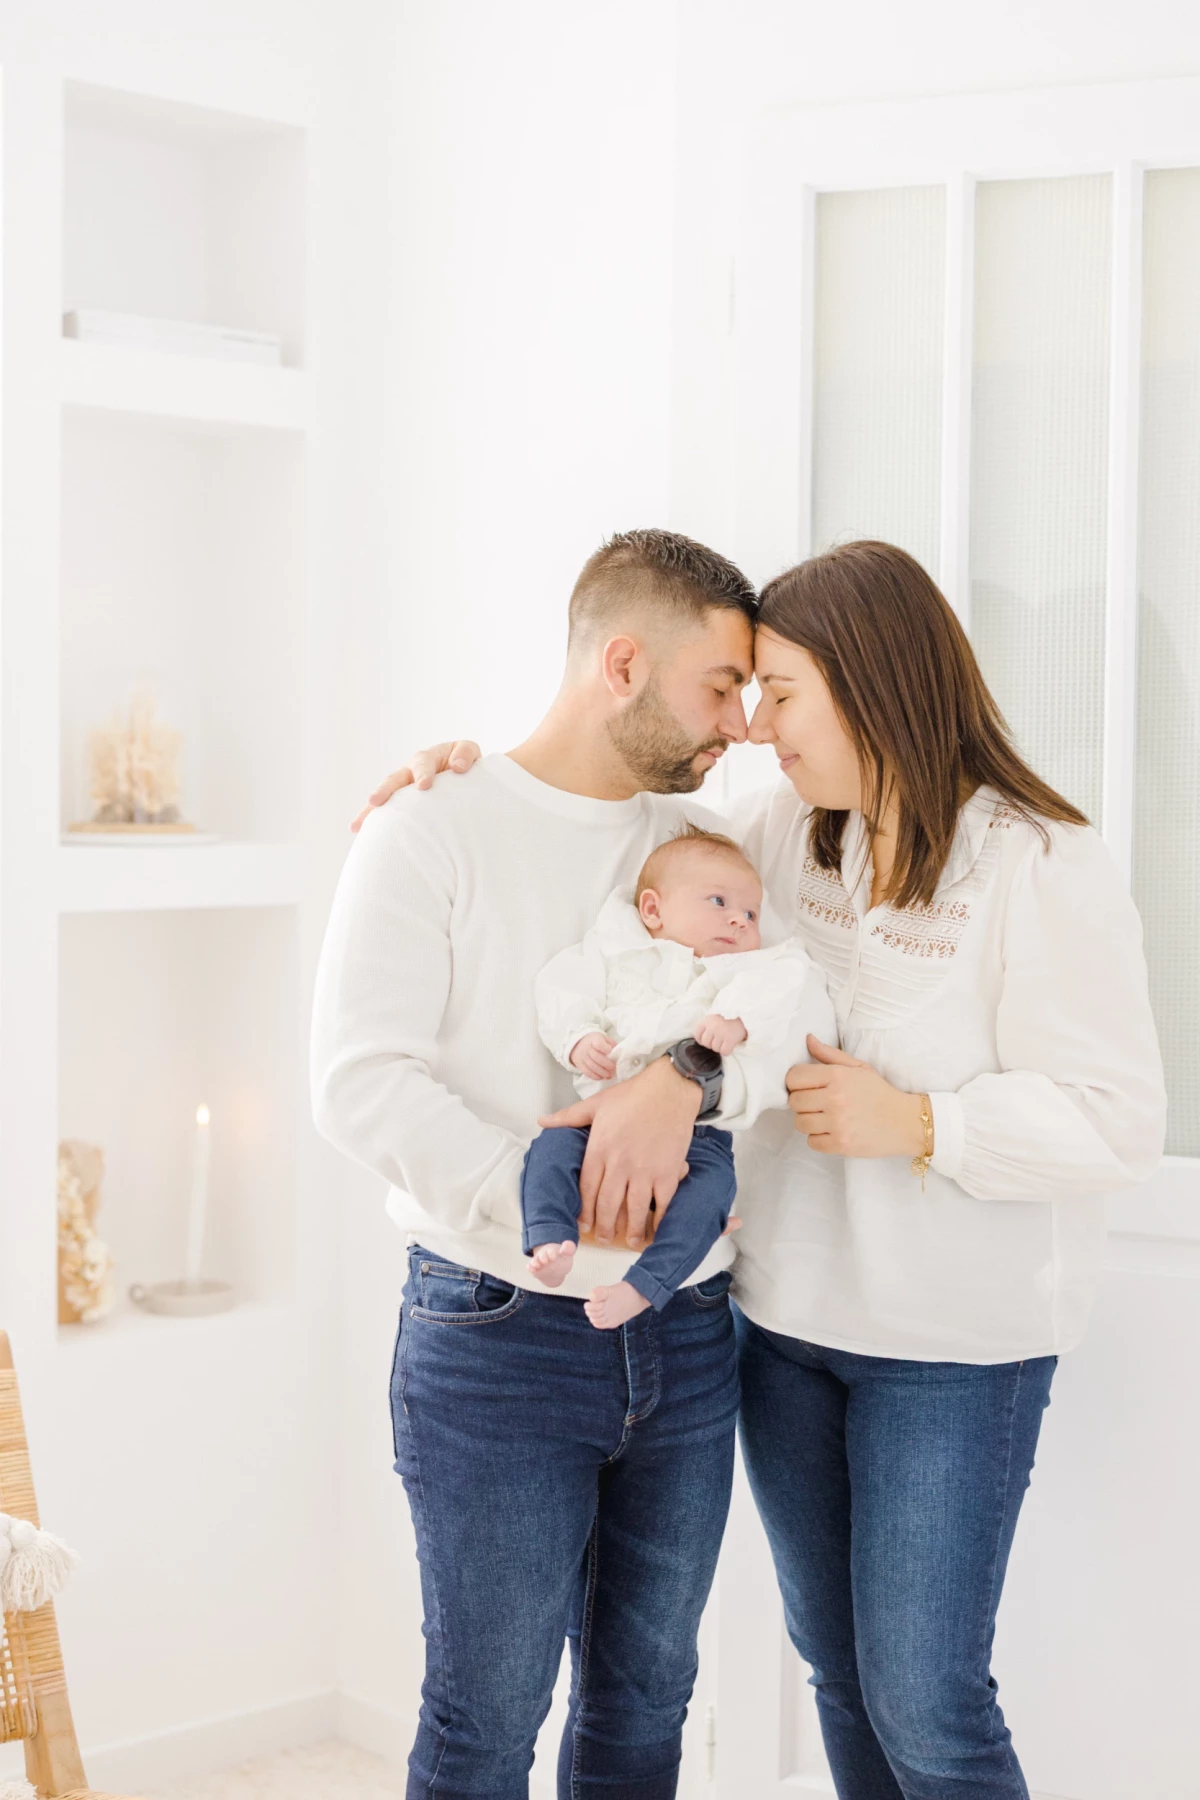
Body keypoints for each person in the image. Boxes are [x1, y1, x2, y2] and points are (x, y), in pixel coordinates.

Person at [363, 538, 1166, 1800]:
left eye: (778, 693)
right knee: (839, 1678)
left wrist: (922, 1125)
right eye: (744, 692)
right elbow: (621, 865)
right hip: (782, 1331)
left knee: (929, 1702)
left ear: (872, 683)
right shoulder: (781, 833)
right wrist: (446, 772)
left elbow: (1119, 1118)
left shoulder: (1040, 863)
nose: (751, 729)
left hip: (948, 1350)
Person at [311, 527, 829, 1800]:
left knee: (649, 1705)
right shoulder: (431, 826)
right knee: (486, 1718)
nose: (744, 725)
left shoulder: (718, 838)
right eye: (721, 690)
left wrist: (686, 1083)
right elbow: (358, 1082)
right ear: (621, 662)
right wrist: (556, 1192)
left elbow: (783, 1021)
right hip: (494, 1329)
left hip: (692, 1328)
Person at [526, 822, 827, 1328]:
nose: (738, 922)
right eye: (719, 902)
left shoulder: (745, 971)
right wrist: (577, 1038)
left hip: (701, 1135)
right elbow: (560, 986)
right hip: (597, 1120)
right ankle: (549, 1240)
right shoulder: (612, 950)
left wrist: (738, 1020)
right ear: (652, 909)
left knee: (711, 1197)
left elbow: (786, 983)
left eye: (750, 913)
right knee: (550, 1149)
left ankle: (642, 1288)